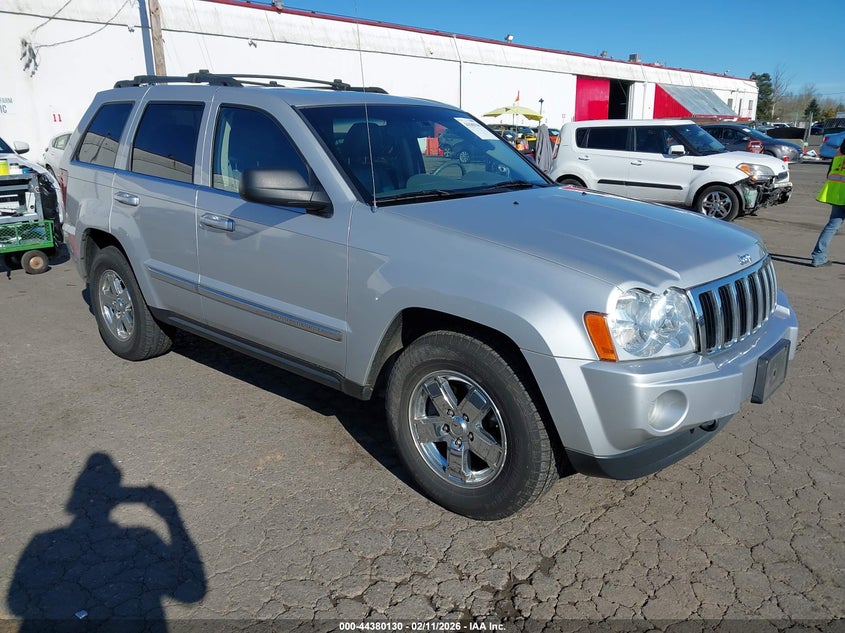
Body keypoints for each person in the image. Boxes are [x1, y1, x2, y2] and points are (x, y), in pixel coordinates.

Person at [810, 135, 845, 267]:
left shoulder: (839, 151)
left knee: (832, 226)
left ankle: (818, 257)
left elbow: (830, 172)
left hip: (837, 195)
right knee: (832, 226)